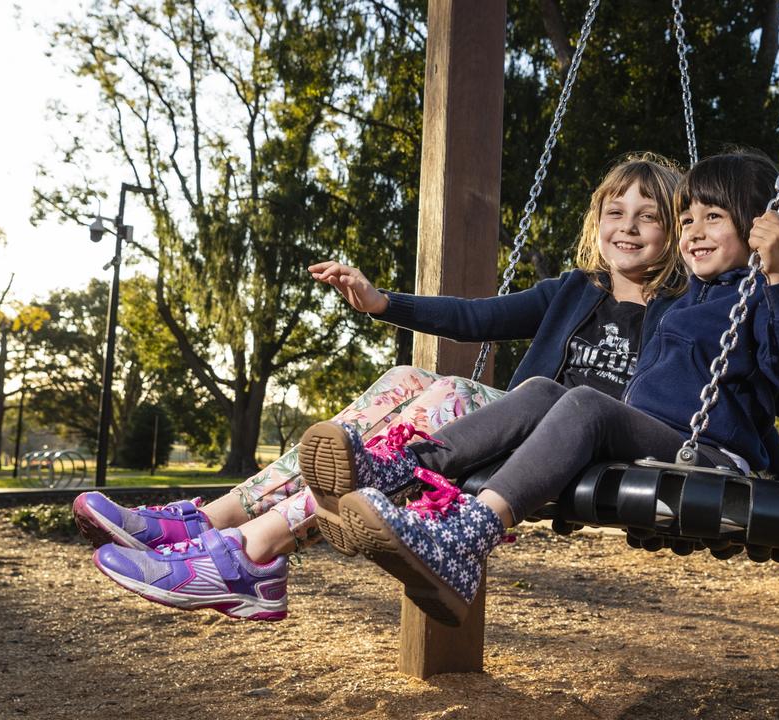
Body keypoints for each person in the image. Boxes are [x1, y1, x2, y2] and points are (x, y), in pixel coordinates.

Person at [75, 153, 690, 620]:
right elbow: (474, 317)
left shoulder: (684, 307)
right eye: (616, 212)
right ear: (597, 221)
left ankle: (251, 554)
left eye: (648, 217)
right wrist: (382, 303)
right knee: (405, 380)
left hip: (573, 441)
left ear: (675, 232)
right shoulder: (573, 291)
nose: (628, 228)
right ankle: (209, 523)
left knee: (447, 398)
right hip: (509, 427)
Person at [305, 149, 779, 626]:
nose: (694, 230)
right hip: (649, 438)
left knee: (586, 403)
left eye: (713, 218)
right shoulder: (692, 295)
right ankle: (402, 468)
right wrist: (385, 304)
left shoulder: (768, 297)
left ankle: (469, 535)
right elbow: (478, 315)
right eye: (687, 218)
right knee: (539, 390)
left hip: (707, 455)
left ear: (761, 227)